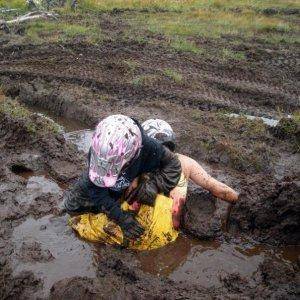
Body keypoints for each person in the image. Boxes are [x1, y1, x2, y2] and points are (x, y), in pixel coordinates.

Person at [64, 115, 182, 240]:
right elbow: (96, 190)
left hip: (121, 185)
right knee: (72, 208)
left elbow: (173, 165)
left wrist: (155, 184)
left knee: (118, 204)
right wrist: (121, 217)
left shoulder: (150, 148)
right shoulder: (99, 150)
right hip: (92, 187)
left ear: (134, 153)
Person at [139, 119, 239, 229]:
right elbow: (217, 188)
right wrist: (239, 200)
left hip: (135, 233)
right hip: (169, 234)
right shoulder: (185, 163)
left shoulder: (135, 163)